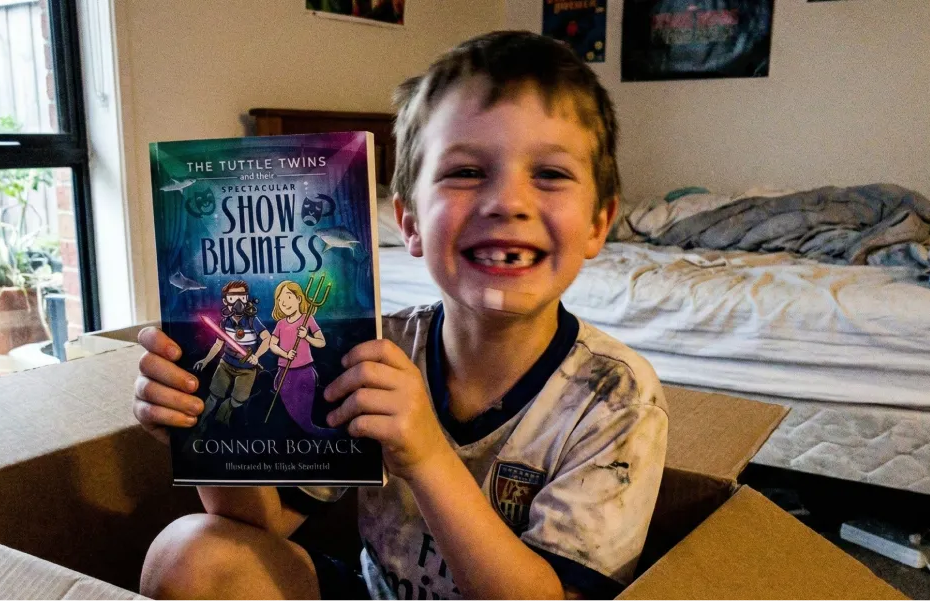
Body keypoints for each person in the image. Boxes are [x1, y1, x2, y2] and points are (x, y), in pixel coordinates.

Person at [132, 31, 668, 601]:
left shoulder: (617, 398)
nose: (507, 202)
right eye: (465, 171)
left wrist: (428, 455)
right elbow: (262, 530)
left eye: (551, 174)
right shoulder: (375, 350)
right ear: (408, 222)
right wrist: (206, 426)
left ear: (598, 223)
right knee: (190, 554)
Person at [191, 280, 271, 428]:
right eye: (233, 298)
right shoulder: (224, 322)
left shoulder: (253, 321)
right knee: (213, 396)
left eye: (242, 297)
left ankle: (223, 416)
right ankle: (200, 424)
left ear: (247, 299)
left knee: (238, 401)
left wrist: (256, 356)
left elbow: (267, 339)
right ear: (226, 301)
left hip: (247, 369)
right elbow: (218, 343)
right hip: (226, 363)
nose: (238, 302)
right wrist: (206, 360)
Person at [268, 279, 336, 437]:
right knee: (290, 413)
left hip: (304, 372)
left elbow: (321, 342)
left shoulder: (308, 319)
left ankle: (314, 432)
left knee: (302, 415)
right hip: (284, 372)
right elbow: (272, 344)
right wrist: (285, 354)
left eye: (288, 297)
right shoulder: (280, 324)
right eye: (280, 300)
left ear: (299, 299)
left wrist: (307, 336)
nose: (284, 303)